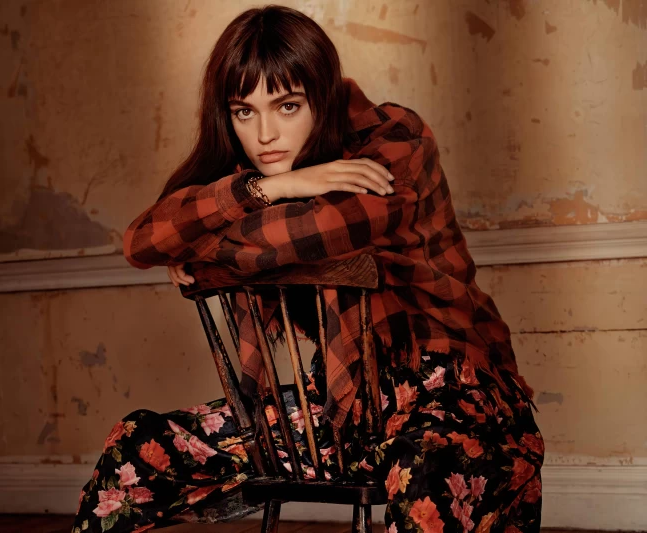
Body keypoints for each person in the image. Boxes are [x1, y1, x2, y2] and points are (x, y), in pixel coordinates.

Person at [71, 5, 544, 533]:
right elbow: (142, 240)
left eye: (287, 105)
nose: (265, 134)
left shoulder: (395, 138)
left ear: (322, 95)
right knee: (137, 449)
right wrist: (268, 187)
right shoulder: (259, 179)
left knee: (424, 478)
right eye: (243, 111)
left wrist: (200, 245)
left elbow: (314, 232)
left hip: (458, 398)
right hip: (346, 411)